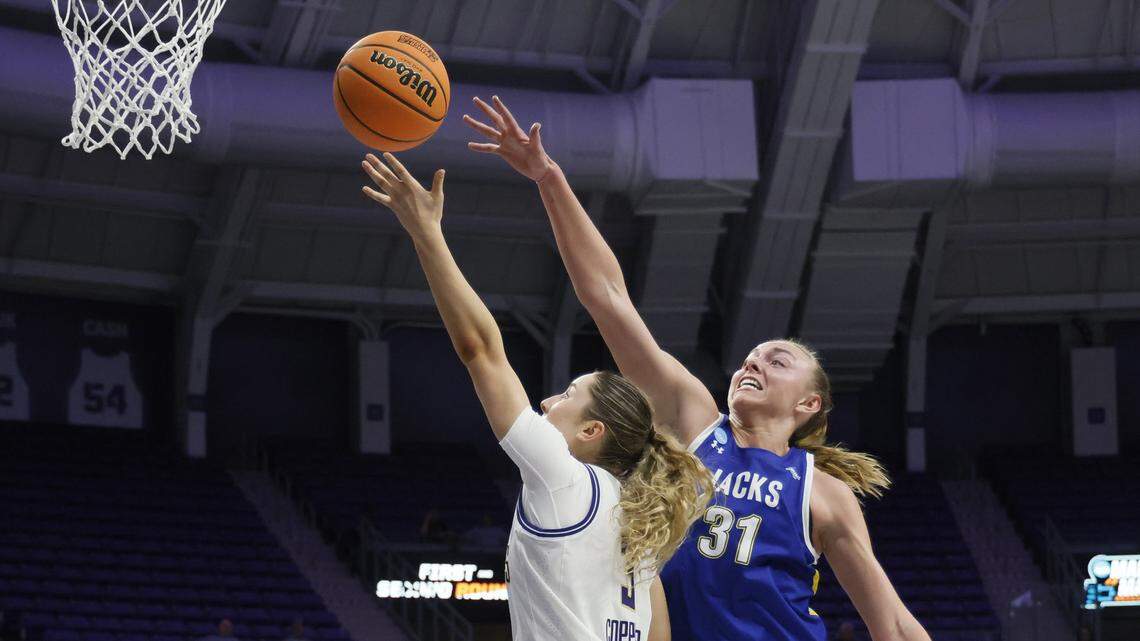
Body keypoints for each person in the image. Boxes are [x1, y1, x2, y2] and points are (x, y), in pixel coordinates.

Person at [464, 96, 931, 641]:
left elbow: (891, 623)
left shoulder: (822, 492)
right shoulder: (693, 422)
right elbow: (609, 297)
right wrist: (549, 178)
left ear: (809, 405)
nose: (753, 361)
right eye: (751, 356)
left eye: (776, 361)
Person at [360, 151, 712, 641]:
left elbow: (480, 349)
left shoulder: (561, 478)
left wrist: (427, 233)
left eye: (569, 394)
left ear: (593, 431)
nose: (547, 402)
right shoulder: (640, 517)